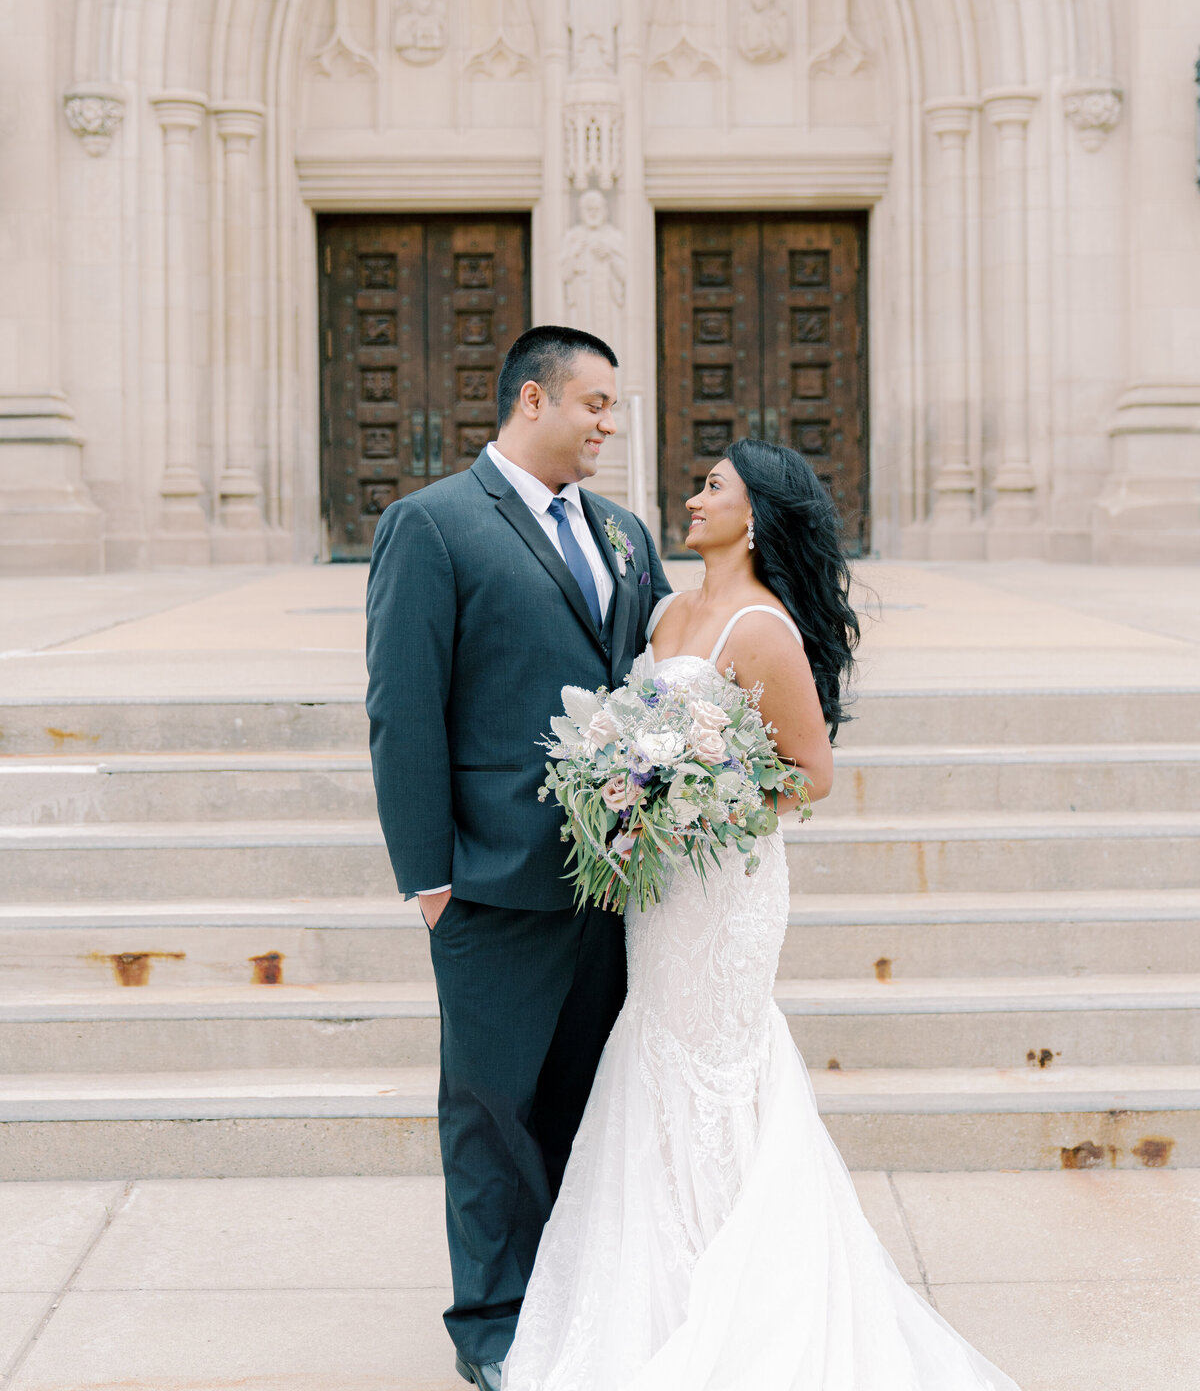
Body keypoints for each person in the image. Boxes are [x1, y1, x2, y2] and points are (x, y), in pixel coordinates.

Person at [503, 439, 1021, 1391]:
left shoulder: (762, 627)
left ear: (758, 517)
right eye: (700, 486)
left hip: (727, 892)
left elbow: (811, 777)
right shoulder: (664, 610)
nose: (692, 499)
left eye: (714, 488)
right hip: (659, 893)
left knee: (716, 1066)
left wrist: (690, 802)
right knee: (652, 1049)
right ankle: (660, 1285)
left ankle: (744, 1290)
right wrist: (626, 794)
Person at [366, 325, 673, 1391]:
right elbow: (403, 711)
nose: (609, 425)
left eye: (614, 408)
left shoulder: (626, 534)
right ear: (533, 401)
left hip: (612, 884)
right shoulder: (434, 526)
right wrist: (430, 876)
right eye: (595, 404)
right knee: (490, 1112)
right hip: (491, 883)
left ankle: (577, 1302)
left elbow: (650, 685)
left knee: (586, 1104)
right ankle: (493, 1324)